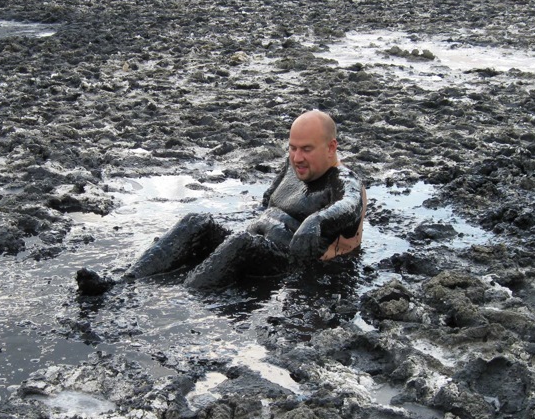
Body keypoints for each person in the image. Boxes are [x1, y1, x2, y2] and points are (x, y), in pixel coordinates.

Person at [125, 110, 367, 289]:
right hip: (252, 240)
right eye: (292, 148)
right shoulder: (294, 166)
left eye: (306, 149)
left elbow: (350, 206)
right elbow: (266, 204)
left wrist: (317, 221)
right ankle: (125, 282)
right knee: (196, 222)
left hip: (288, 262)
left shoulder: (344, 180)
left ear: (331, 147)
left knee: (242, 242)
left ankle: (184, 297)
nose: (297, 157)